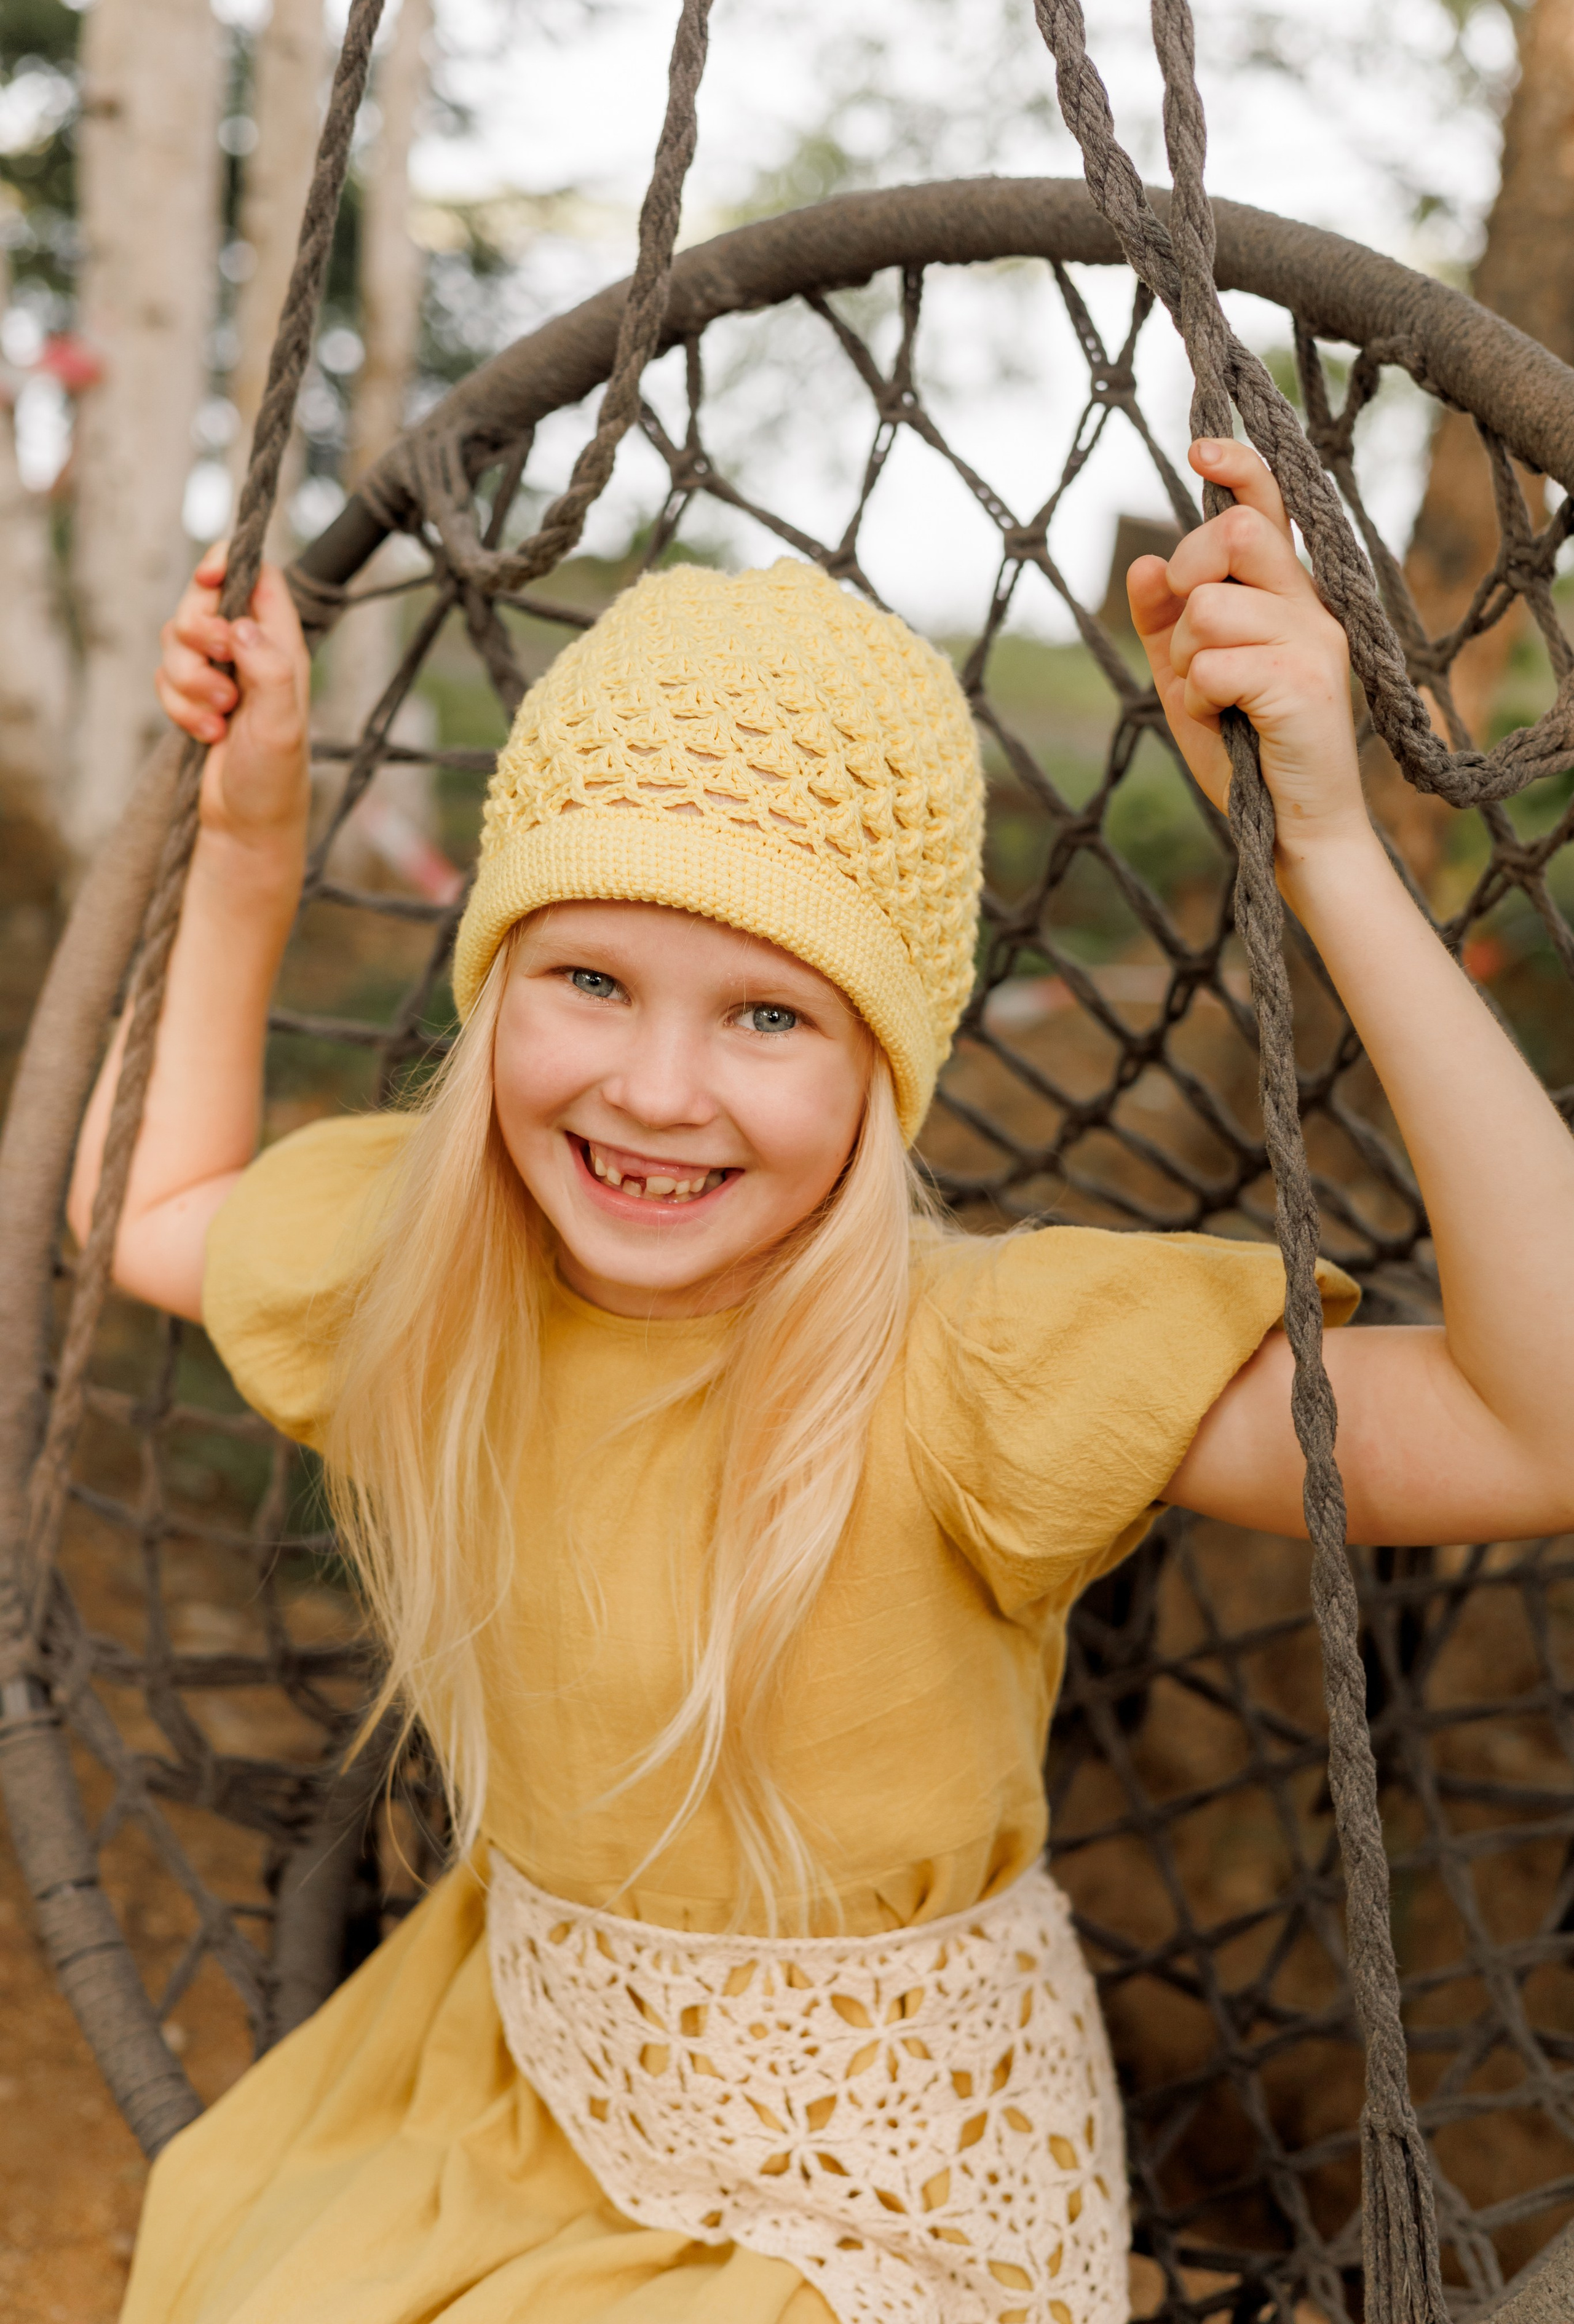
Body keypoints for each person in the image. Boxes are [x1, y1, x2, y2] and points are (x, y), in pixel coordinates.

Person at [101, 440, 1574, 2324]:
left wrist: (1332, 859)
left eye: (770, 1015)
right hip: (519, 2092)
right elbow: (144, 1206)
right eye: (590, 979)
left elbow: (1535, 1425)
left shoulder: (966, 1365)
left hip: (867, 2212)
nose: (654, 1091)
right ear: (493, 986)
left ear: (885, 1067)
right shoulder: (435, 1278)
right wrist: (247, 851)